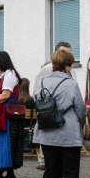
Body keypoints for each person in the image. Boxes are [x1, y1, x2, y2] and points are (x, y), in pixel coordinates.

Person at [34, 50, 85, 178]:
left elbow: (37, 101)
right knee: (70, 173)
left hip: (47, 132)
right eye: (71, 65)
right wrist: (81, 124)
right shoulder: (70, 83)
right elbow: (80, 108)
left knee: (51, 171)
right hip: (68, 134)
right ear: (66, 65)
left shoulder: (42, 81)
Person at [33, 41, 77, 170]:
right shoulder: (46, 69)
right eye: (64, 53)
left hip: (66, 114)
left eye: (69, 54)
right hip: (50, 111)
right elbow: (37, 91)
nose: (67, 56)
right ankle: (43, 160)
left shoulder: (71, 70)